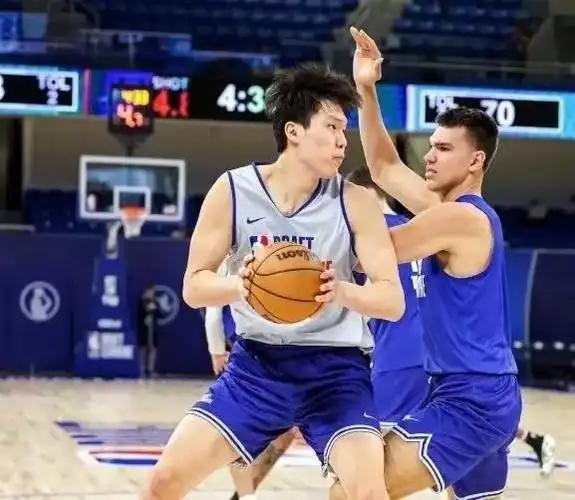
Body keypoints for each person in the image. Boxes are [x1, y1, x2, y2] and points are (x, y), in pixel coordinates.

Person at [142, 63, 405, 500]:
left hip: (337, 373)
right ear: (293, 131)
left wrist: (340, 290)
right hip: (257, 367)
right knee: (162, 483)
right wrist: (241, 286)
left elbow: (392, 300)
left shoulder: (356, 202)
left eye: (344, 129)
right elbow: (193, 287)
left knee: (368, 494)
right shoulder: (232, 190)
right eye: (332, 126)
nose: (343, 140)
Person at [334, 27, 523, 500]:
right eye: (431, 145)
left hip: (471, 401)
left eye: (443, 148)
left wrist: (314, 223)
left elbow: (379, 249)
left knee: (352, 490)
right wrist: (366, 89)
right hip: (475, 392)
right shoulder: (446, 210)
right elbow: (383, 168)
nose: (430, 156)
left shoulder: (461, 219)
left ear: (475, 161)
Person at [347, 167, 428, 432]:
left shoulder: (369, 236)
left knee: (376, 450)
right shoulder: (420, 230)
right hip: (437, 356)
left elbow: (362, 306)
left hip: (397, 354)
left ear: (367, 194)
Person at [204, 299, 298, 500]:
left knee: (286, 434)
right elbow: (213, 309)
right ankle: (247, 495)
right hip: (245, 352)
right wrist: (217, 350)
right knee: (237, 432)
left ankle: (243, 494)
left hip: (281, 351)